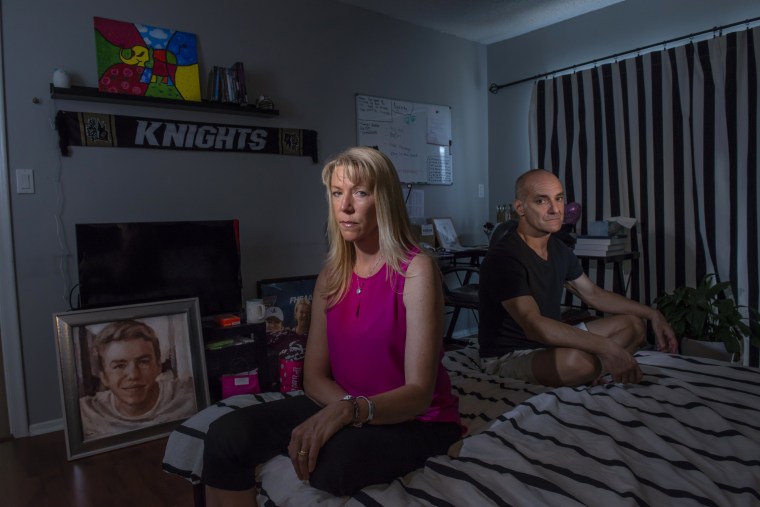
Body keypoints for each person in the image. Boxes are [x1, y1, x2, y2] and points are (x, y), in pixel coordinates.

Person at [202, 147, 462, 505]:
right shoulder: (330, 277)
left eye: (360, 193)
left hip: (415, 419)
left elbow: (418, 393)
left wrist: (347, 412)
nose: (346, 206)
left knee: (331, 464)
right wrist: (345, 409)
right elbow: (313, 378)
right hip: (344, 403)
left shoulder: (416, 270)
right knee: (224, 434)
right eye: (337, 193)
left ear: (384, 199)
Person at [478, 169, 678, 387]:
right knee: (579, 363)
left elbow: (593, 294)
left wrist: (653, 314)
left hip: (549, 345)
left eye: (559, 199)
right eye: (541, 201)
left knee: (634, 325)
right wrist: (606, 347)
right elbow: (534, 326)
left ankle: (593, 370)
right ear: (520, 208)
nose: (555, 209)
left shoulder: (558, 248)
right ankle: (594, 368)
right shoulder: (505, 256)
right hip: (511, 354)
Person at [79, 319, 196, 440]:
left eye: (143, 362)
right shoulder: (86, 413)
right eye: (119, 366)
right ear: (104, 377)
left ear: (158, 366)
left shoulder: (188, 394)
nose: (133, 375)